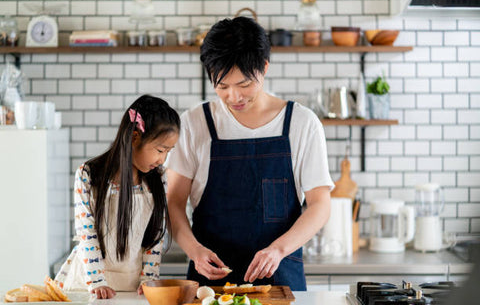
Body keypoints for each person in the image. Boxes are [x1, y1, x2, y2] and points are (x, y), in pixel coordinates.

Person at [165, 17, 333, 291]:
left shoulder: (302, 123)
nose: (234, 96)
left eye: (244, 85)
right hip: (210, 284)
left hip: (280, 281)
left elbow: (320, 205)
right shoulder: (195, 123)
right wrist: (194, 250)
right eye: (222, 86)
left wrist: (278, 250)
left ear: (264, 68)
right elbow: (173, 203)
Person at [55, 95, 180, 299]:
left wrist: (148, 278)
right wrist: (97, 282)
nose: (162, 159)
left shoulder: (158, 179)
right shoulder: (89, 175)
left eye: (168, 151)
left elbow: (155, 236)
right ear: (134, 137)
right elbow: (87, 233)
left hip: (132, 287)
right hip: (88, 286)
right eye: (159, 150)